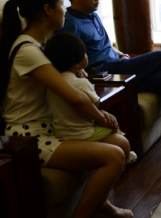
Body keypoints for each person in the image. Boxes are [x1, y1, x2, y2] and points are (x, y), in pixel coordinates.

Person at [0, 0, 131, 218]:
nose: (64, 10)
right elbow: (73, 97)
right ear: (47, 9)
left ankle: (99, 205)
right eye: (60, 5)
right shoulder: (28, 50)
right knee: (114, 155)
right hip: (29, 138)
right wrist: (102, 118)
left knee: (122, 144)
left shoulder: (40, 46)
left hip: (51, 129)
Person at [56, 0, 161, 150]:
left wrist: (121, 53)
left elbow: (106, 45)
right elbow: (66, 56)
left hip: (117, 65)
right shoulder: (70, 24)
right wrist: (78, 70)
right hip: (103, 74)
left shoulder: (93, 15)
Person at [43, 33, 136, 165]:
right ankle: (128, 156)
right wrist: (85, 81)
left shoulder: (52, 83)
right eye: (85, 53)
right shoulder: (81, 83)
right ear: (77, 63)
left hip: (61, 132)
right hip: (83, 133)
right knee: (114, 128)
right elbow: (96, 103)